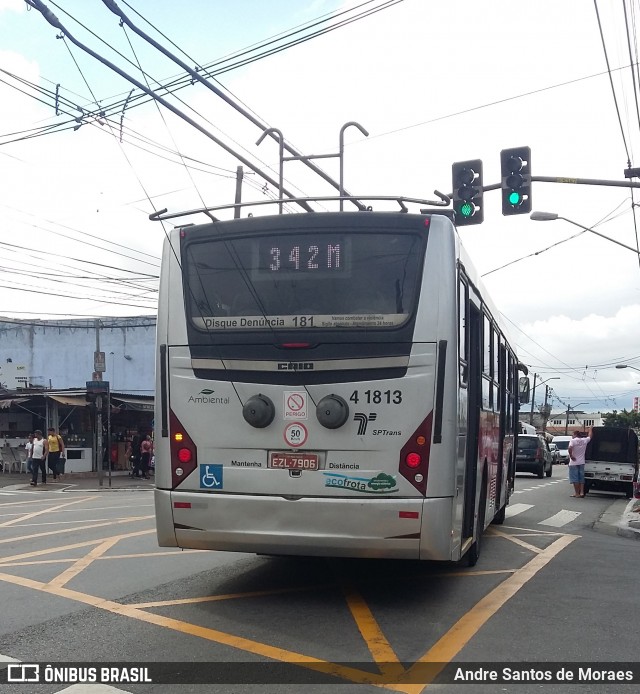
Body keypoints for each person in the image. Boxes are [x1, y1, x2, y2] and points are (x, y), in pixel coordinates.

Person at [568, 427, 592, 498]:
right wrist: (590, 429)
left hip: (573, 462)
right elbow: (590, 436)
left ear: (575, 434)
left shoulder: (573, 441)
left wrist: (571, 456)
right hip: (581, 462)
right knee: (581, 478)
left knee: (575, 478)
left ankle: (577, 493)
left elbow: (570, 448)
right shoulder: (584, 440)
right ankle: (581, 492)